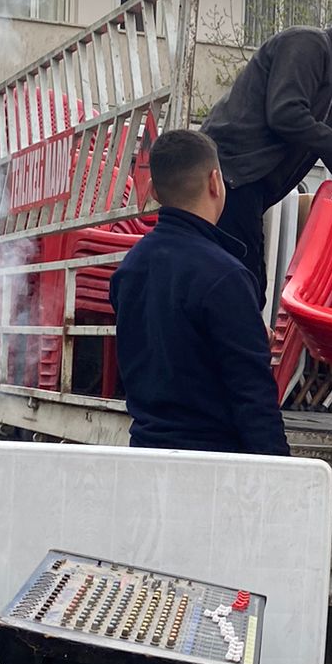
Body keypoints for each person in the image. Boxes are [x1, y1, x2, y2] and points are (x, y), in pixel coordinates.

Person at [109, 128, 289, 458]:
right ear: (215, 182)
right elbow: (253, 397)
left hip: (144, 453)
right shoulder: (226, 275)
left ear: (153, 191)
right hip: (211, 468)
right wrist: (283, 479)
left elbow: (164, 352)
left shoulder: (129, 270)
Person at [201, 5, 332, 308]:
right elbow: (285, 113)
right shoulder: (307, 45)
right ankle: (235, 349)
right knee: (243, 286)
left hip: (243, 182)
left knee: (241, 282)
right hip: (232, 175)